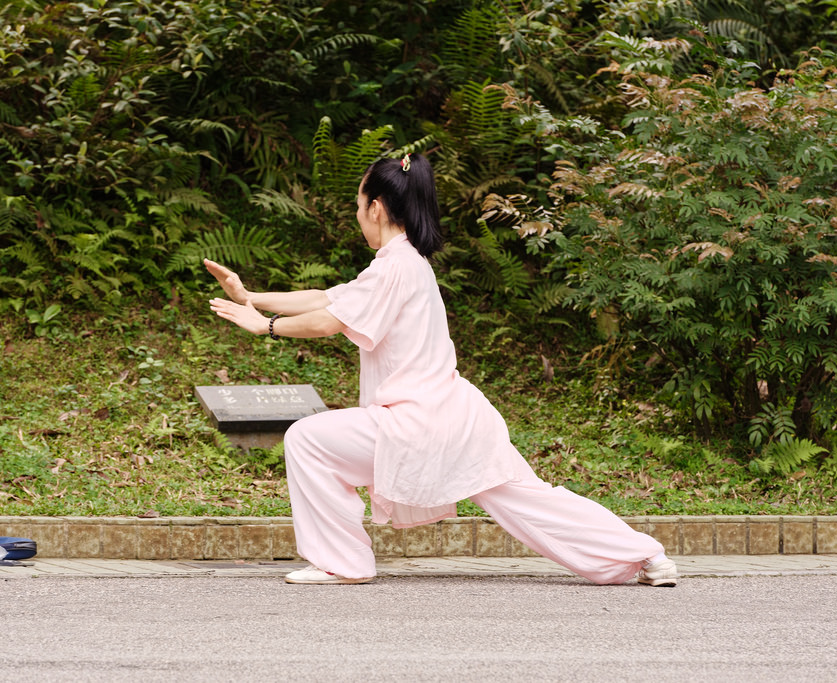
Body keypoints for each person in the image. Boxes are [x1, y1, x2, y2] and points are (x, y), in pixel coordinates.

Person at [206, 153, 678, 587]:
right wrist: (250, 297)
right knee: (530, 499)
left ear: (376, 208)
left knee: (308, 440)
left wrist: (266, 326)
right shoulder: (402, 263)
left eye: (358, 204)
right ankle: (647, 556)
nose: (357, 214)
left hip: (417, 422)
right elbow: (327, 297)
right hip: (456, 417)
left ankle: (342, 562)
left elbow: (328, 320)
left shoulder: (394, 267)